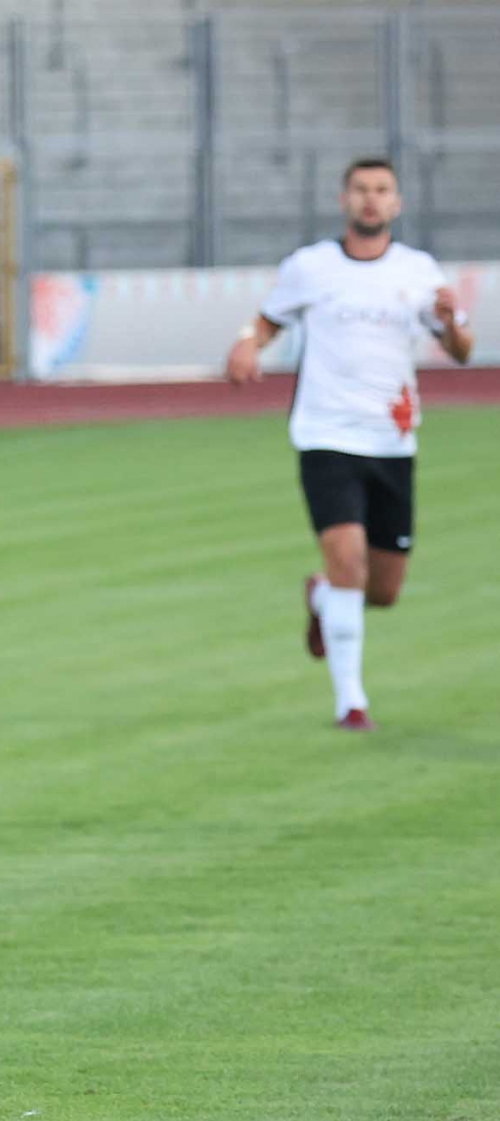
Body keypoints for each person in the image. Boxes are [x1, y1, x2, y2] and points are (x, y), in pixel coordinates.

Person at [226, 158, 474, 731]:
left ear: (397, 203)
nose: (371, 200)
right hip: (325, 436)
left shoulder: (418, 271)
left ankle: (321, 599)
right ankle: (351, 703)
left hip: (393, 441)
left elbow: (460, 348)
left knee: (382, 589)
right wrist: (246, 345)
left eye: (382, 190)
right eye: (361, 190)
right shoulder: (311, 267)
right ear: (344, 200)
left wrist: (453, 326)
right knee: (347, 561)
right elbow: (266, 322)